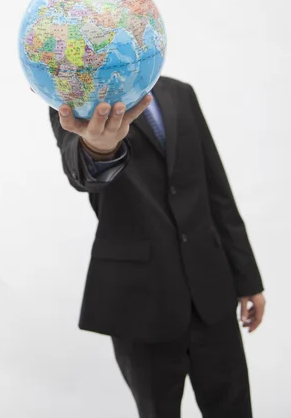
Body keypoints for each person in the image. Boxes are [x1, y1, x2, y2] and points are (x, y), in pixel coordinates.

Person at [48, 75, 265, 418]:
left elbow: (215, 187)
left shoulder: (180, 92)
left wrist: (247, 278)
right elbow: (81, 171)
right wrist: (99, 148)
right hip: (142, 302)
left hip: (212, 291)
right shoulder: (77, 105)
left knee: (234, 407)